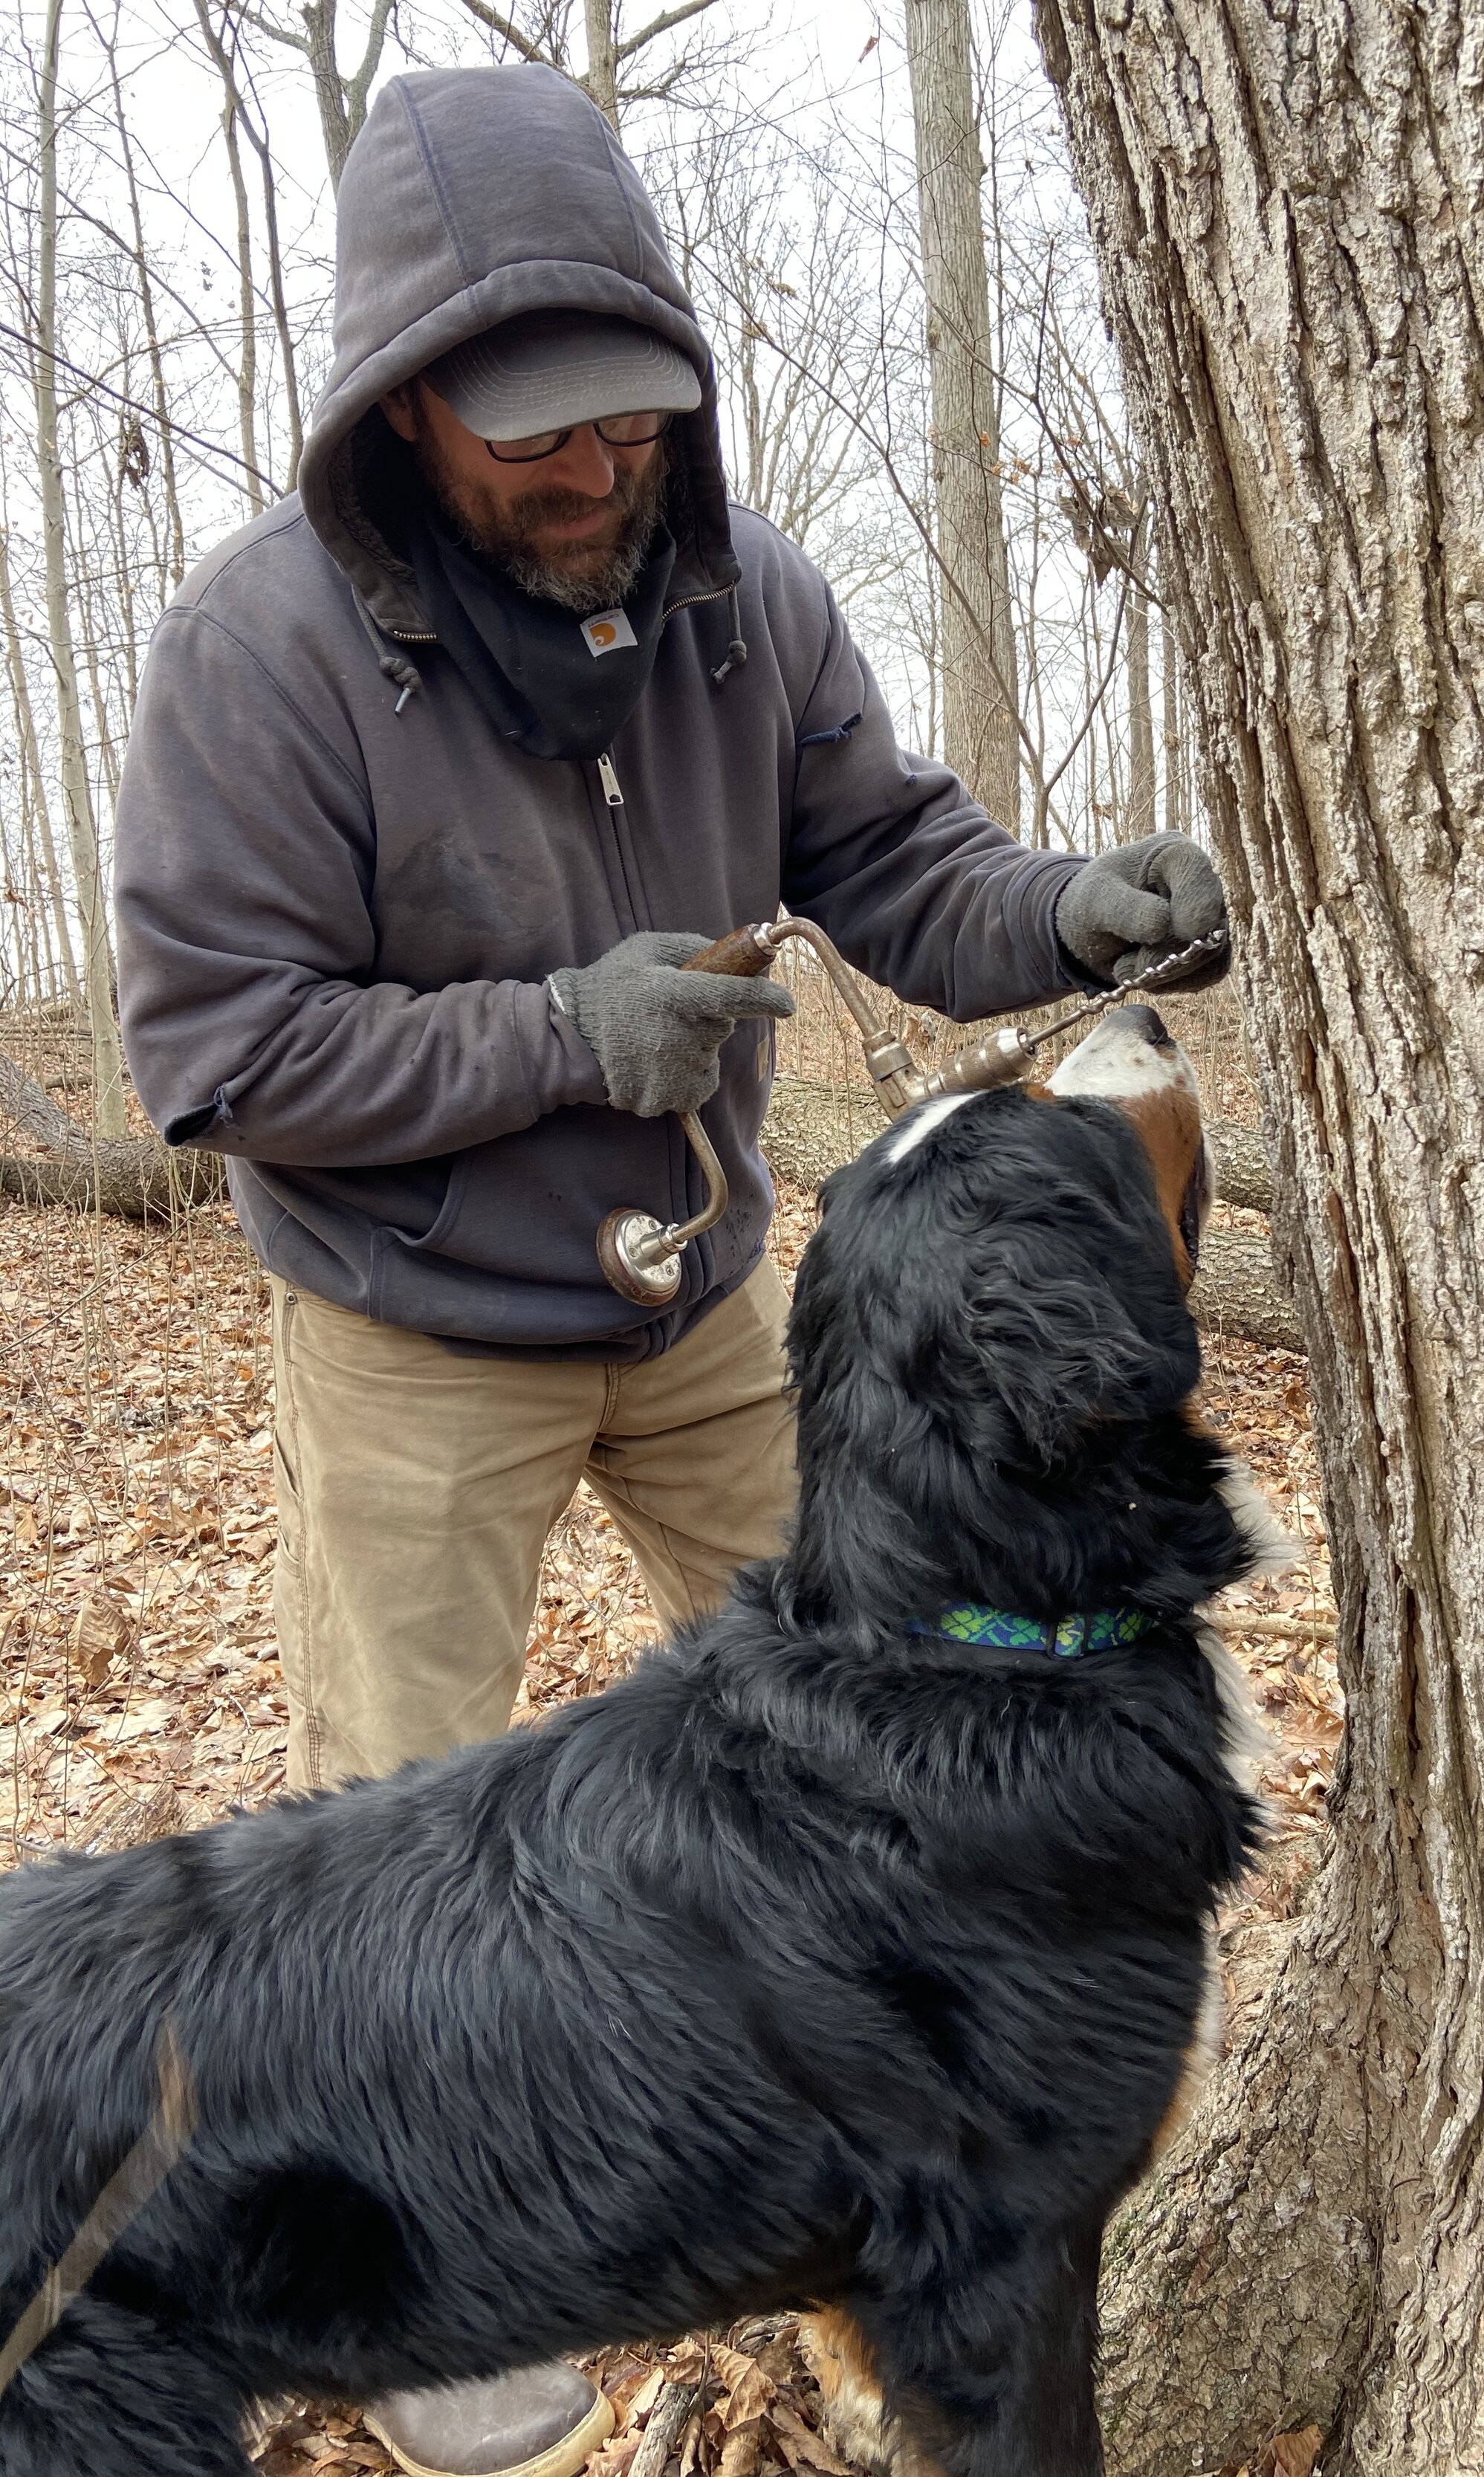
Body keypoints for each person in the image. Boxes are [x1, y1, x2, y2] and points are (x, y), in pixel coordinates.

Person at [113, 62, 1230, 2477]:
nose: (587, 467)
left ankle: (899, 2205)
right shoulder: (269, 656)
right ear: (405, 405)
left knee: (910, 1756)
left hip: (704, 1303)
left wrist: (1064, 912)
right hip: (417, 1331)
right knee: (410, 1838)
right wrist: (554, 1032)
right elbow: (205, 1051)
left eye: (624, 416)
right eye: (530, 432)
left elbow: (903, 865)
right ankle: (439, 2288)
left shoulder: (750, 598)